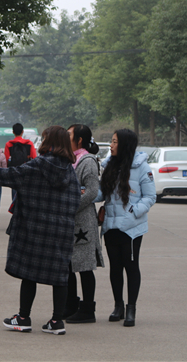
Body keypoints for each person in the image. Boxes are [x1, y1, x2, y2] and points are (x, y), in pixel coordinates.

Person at [0, 126, 81, 335]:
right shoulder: (69, 170)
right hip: (60, 230)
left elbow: (12, 174)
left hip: (34, 228)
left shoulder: (39, 164)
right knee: (60, 275)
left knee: (29, 273)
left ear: (49, 142)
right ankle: (57, 321)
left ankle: (23, 318)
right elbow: (76, 200)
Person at [94, 128, 156, 327]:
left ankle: (131, 308)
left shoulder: (141, 167)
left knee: (131, 266)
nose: (111, 145)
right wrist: (86, 193)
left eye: (114, 142)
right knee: (115, 267)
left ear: (125, 145)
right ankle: (118, 306)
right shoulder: (109, 165)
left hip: (131, 227)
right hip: (111, 224)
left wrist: (133, 211)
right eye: (111, 141)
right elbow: (102, 193)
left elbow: (150, 196)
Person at [64, 124, 105, 324]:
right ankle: (71, 305)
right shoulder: (71, 159)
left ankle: (88, 310)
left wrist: (69, 206)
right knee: (69, 265)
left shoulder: (87, 161)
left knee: (85, 267)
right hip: (71, 220)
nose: (65, 138)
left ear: (79, 140)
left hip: (83, 221)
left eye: (69, 135)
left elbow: (91, 192)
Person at [4, 123, 37, 199]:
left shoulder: (8, 144)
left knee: (14, 191)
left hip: (14, 171)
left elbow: (6, 159)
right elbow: (34, 158)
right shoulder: (29, 143)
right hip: (27, 171)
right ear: (22, 132)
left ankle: (15, 205)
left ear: (13, 132)